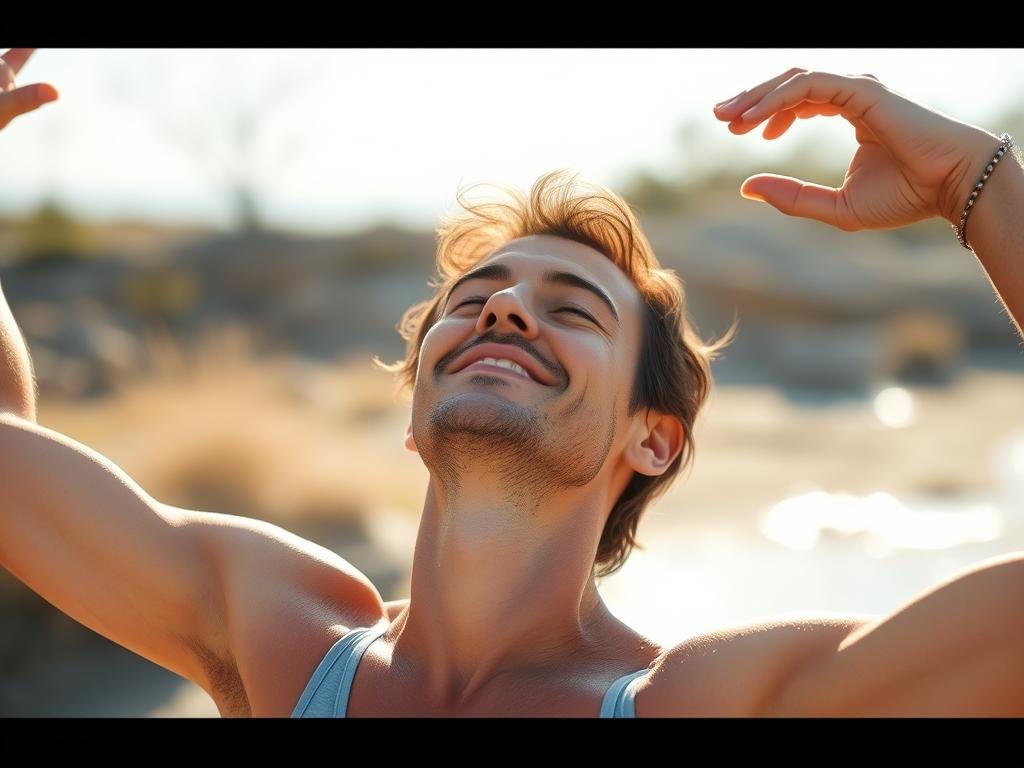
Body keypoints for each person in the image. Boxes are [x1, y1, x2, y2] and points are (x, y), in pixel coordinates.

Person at [1, 50, 1022, 718]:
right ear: (415, 412)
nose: (503, 310)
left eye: (572, 310)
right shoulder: (279, 635)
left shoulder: (708, 702)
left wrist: (971, 183)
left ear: (652, 439)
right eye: (474, 299)